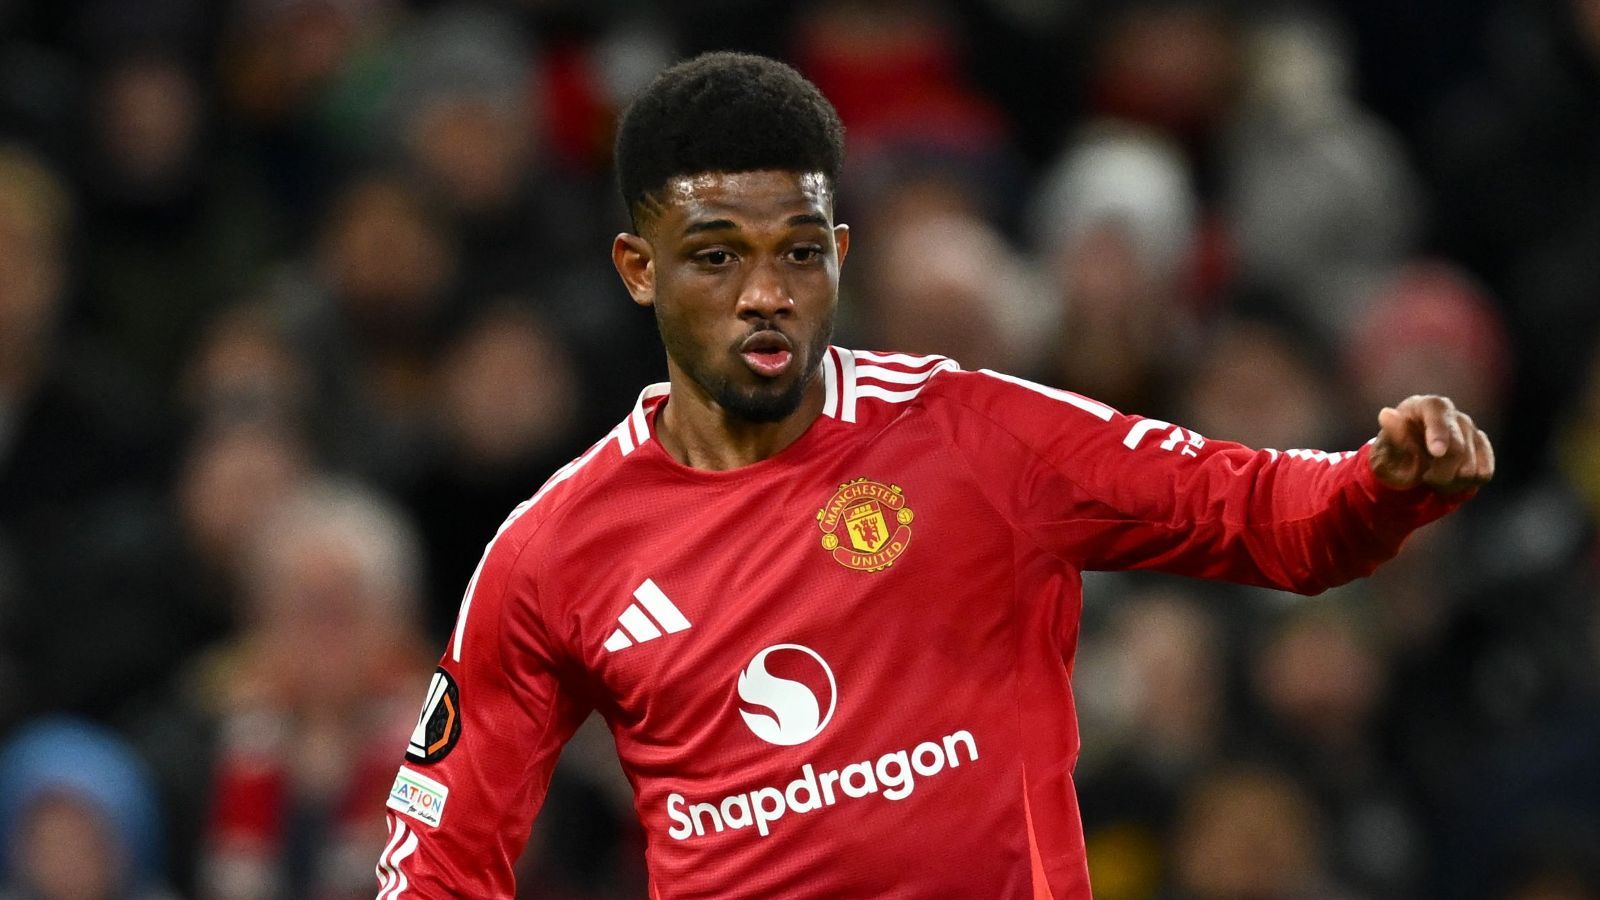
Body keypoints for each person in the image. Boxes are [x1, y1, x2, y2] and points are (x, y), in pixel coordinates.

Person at [374, 52, 1493, 898]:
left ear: (838, 254)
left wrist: (1383, 482)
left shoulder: (975, 437)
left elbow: (1259, 515)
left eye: (797, 252)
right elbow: (436, 856)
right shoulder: (554, 552)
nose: (765, 295)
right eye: (715, 257)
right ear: (637, 268)